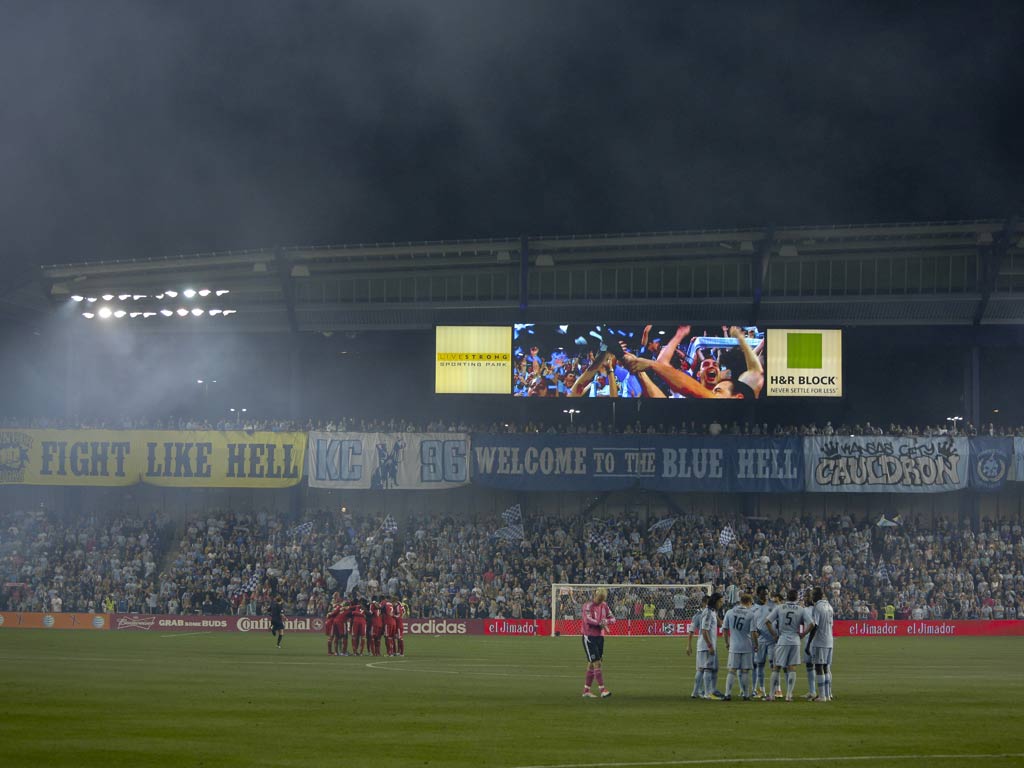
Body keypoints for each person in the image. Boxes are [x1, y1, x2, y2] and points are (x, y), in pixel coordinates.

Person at [765, 588, 809, 701]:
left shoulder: (780, 607)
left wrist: (774, 635)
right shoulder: (801, 609)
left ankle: (771, 695)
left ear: (787, 597)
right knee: (792, 668)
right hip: (795, 640)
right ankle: (789, 695)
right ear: (796, 598)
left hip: (783, 639)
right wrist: (803, 634)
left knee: (776, 667)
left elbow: (767, 621)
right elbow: (812, 624)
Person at [580, 587, 615, 698]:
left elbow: (613, 618)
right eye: (599, 599)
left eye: (602, 599)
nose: (600, 601)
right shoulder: (587, 606)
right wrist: (599, 622)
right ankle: (602, 690)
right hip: (589, 637)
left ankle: (586, 691)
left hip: (600, 637)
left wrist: (606, 621)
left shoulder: (604, 605)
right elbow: (587, 619)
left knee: (592, 663)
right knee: (597, 662)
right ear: (595, 595)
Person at [722, 593, 758, 700]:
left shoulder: (730, 612)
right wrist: (756, 644)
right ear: (748, 602)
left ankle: (727, 694)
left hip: (734, 645)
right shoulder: (751, 614)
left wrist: (726, 642)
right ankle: (746, 695)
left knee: (732, 670)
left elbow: (725, 629)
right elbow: (753, 632)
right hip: (746, 645)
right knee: (745, 671)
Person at [804, 586, 835, 702]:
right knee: (826, 667)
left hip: (820, 641)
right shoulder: (829, 606)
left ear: (817, 595)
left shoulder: (817, 607)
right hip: (830, 640)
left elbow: (815, 626)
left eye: (812, 595)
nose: (811, 597)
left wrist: (808, 644)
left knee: (818, 667)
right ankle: (827, 694)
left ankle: (822, 696)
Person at [698, 592, 725, 700]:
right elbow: (704, 631)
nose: (721, 604)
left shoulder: (713, 612)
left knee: (715, 668)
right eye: (720, 601)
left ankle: (712, 690)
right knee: (708, 668)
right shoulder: (708, 613)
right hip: (707, 646)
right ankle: (707, 693)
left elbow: (720, 624)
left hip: (712, 644)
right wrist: (709, 645)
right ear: (715, 601)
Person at [751, 586, 776, 698]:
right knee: (760, 665)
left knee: (773, 665)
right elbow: (752, 626)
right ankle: (761, 690)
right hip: (760, 641)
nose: (765, 595)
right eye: (763, 593)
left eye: (766, 593)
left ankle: (774, 690)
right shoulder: (754, 608)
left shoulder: (773, 606)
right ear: (758, 594)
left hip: (772, 641)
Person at [686, 594, 709, 698]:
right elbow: (691, 632)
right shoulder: (700, 615)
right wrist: (688, 645)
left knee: (701, 669)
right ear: (704, 603)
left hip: (702, 645)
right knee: (703, 669)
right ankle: (701, 692)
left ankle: (698, 691)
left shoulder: (701, 614)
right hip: (705, 645)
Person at [802, 591, 818, 700]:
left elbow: (813, 626)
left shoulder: (807, 610)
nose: (805, 599)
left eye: (807, 597)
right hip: (814, 640)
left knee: (819, 666)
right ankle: (812, 691)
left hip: (811, 640)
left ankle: (819, 692)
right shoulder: (818, 609)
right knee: (810, 666)